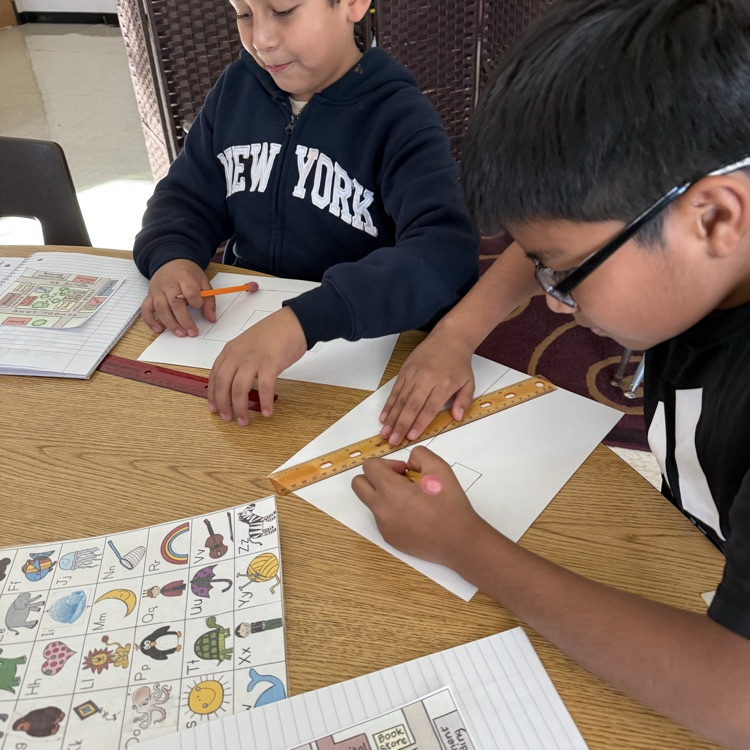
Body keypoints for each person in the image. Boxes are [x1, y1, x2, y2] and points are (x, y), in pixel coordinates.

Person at [354, 0, 750, 745]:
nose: (555, 300)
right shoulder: (705, 238)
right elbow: (568, 232)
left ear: (716, 219)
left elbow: (737, 698)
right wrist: (456, 334)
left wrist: (469, 548)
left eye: (566, 275)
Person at [133, 0, 478, 426]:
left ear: (352, 5)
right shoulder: (235, 90)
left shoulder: (400, 117)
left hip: (359, 343)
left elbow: (444, 253)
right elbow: (187, 194)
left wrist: (303, 322)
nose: (260, 39)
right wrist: (172, 255)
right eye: (243, 13)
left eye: (284, 10)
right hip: (240, 325)